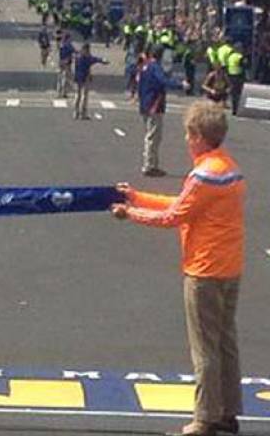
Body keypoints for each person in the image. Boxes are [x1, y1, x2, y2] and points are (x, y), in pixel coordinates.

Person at [111, 101, 244, 436]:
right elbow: (184, 204)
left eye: (188, 134)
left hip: (204, 270)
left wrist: (131, 213)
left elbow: (174, 216)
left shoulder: (203, 175)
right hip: (230, 268)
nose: (186, 140)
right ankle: (228, 411)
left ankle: (204, 419)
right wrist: (137, 196)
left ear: (198, 136)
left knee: (204, 349)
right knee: (226, 342)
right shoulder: (228, 167)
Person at [138, 45, 188, 177]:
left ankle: (152, 164)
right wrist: (180, 84)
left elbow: (140, 84)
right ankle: (149, 165)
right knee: (153, 136)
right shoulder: (155, 67)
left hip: (145, 103)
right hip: (154, 104)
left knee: (151, 135)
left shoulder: (145, 66)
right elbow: (163, 81)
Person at [72, 43, 109, 120]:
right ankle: (83, 113)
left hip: (77, 77)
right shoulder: (87, 58)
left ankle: (76, 112)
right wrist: (103, 61)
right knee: (84, 96)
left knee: (77, 95)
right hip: (84, 77)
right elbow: (96, 59)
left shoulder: (78, 57)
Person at [56, 33, 75, 99]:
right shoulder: (69, 45)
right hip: (67, 63)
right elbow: (74, 51)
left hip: (61, 62)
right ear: (68, 38)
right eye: (70, 38)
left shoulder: (62, 44)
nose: (71, 40)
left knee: (60, 77)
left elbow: (60, 52)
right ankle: (64, 93)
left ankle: (58, 92)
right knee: (65, 78)